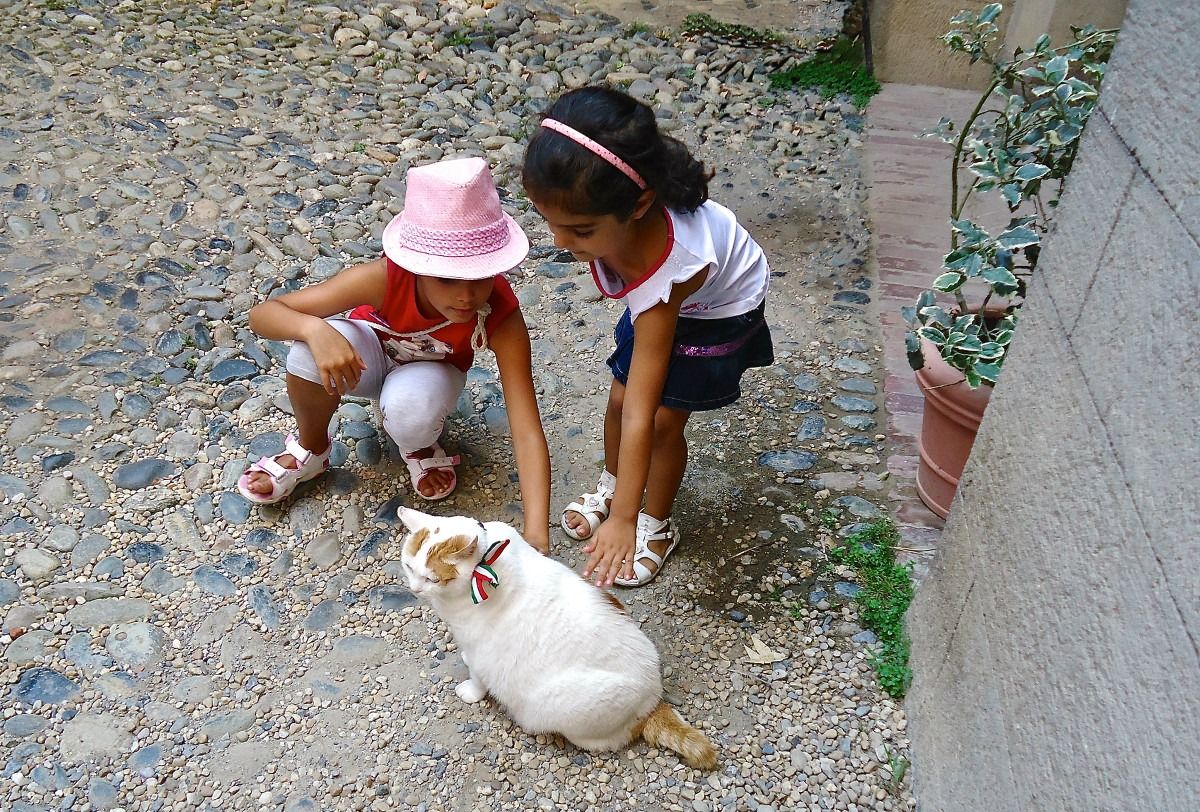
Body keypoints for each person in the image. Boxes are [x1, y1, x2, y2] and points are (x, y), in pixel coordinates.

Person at [521, 86, 774, 587]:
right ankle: (615, 486)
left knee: (659, 420)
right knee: (618, 398)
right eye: (548, 221)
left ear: (639, 205)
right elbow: (629, 400)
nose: (559, 241)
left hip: (715, 311)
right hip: (655, 297)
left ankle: (652, 522)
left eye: (580, 230)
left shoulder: (672, 271)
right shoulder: (618, 227)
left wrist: (624, 524)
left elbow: (644, 408)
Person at [237, 156, 552, 553]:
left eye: (481, 276)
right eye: (447, 278)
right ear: (418, 265)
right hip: (365, 357)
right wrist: (314, 328)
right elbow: (263, 314)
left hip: (429, 374)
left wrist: (537, 532)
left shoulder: (500, 314)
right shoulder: (385, 278)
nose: (468, 295)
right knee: (306, 352)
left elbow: (525, 423)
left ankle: (418, 446)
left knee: (410, 409)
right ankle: (312, 449)